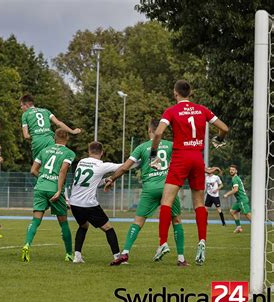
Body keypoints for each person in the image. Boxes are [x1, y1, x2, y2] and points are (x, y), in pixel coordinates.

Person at [150, 80, 229, 265]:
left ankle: (163, 243)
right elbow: (224, 128)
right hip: (197, 159)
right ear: (190, 93)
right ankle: (202, 242)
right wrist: (218, 139)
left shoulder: (171, 111)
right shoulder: (202, 109)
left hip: (180, 158)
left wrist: (154, 154)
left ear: (175, 93)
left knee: (166, 201)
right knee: (199, 203)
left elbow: (159, 133)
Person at [105, 119, 188, 266]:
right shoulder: (170, 145)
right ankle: (181, 259)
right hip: (168, 187)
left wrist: (111, 178)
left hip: (149, 189)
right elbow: (186, 160)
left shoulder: (142, 147)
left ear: (149, 130)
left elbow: (125, 168)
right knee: (176, 221)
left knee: (138, 222)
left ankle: (125, 253)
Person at [21, 128, 75, 262]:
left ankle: (27, 244)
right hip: (54, 189)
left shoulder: (43, 151)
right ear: (67, 138)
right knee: (63, 223)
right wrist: (58, 189)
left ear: (54, 138)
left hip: (40, 187)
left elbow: (33, 170)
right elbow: (62, 171)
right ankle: (69, 254)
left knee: (36, 220)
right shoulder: (69, 153)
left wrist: (43, 178)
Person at [68, 141, 123, 265]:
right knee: (108, 228)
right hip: (88, 204)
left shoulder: (81, 162)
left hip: (75, 203)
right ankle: (117, 257)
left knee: (83, 226)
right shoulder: (101, 165)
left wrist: (105, 180)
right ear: (102, 152)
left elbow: (89, 182)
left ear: (88, 151)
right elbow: (124, 166)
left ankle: (77, 256)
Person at [20, 94, 81, 160]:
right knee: (50, 164)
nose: (21, 108)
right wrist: (72, 131)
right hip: (50, 141)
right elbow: (59, 123)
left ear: (26, 105)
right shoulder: (46, 111)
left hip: (37, 142)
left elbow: (26, 135)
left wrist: (36, 135)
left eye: (21, 105)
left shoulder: (25, 115)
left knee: (36, 167)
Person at [223, 165, 251, 233]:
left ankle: (257, 227)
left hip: (242, 199)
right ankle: (239, 227)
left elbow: (235, 190)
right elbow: (235, 189)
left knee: (247, 214)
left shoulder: (235, 178)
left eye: (233, 169)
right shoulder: (235, 178)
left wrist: (227, 194)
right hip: (239, 200)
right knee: (232, 211)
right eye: (230, 169)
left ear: (236, 171)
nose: (231, 171)